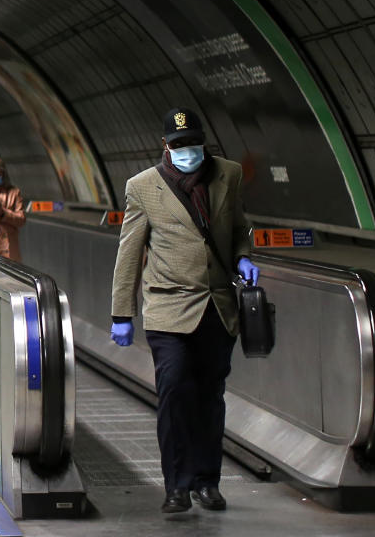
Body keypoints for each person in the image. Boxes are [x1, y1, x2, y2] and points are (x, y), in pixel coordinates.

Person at [109, 107, 259, 514]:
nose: (186, 150)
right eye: (178, 145)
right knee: (175, 391)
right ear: (165, 146)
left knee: (211, 395)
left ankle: (208, 482)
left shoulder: (227, 174)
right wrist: (122, 312)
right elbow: (130, 251)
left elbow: (239, 226)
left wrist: (244, 255)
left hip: (217, 306)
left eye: (193, 143)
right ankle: (177, 485)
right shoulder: (142, 187)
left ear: (203, 141)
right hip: (168, 309)